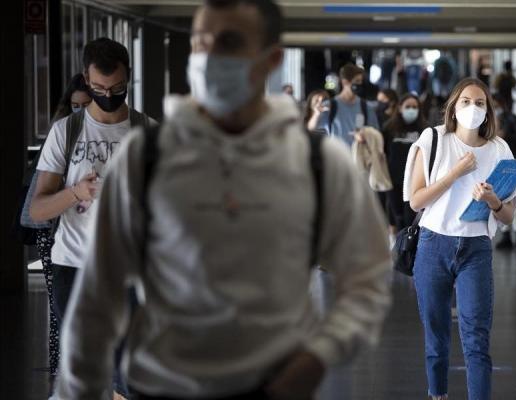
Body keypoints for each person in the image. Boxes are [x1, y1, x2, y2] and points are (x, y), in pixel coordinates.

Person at [55, 1, 392, 399]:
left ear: (272, 59)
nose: (210, 56)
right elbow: (97, 296)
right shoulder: (146, 157)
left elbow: (368, 277)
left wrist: (320, 354)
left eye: (229, 43)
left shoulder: (317, 163)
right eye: (200, 43)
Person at [30, 37, 155, 400]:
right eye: (99, 88)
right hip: (74, 268)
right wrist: (76, 193)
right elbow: (37, 209)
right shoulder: (65, 132)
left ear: (128, 78)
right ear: (86, 79)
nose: (108, 94)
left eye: (116, 87)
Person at [405, 78, 516, 400]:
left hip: (476, 249)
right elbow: (416, 201)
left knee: (476, 338)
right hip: (434, 245)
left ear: (488, 111)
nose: (472, 108)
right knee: (437, 336)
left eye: (479, 103)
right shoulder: (433, 140)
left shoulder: (500, 150)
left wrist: (492, 201)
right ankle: (438, 394)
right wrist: (455, 173)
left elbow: (508, 216)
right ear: (452, 107)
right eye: (465, 102)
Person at [22, 72, 91, 389]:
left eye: (85, 105)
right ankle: (60, 373)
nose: (81, 111)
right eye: (75, 105)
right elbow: (38, 200)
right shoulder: (61, 135)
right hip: (53, 232)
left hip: (82, 236)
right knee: (59, 311)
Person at [382, 93, 427, 231]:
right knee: (396, 215)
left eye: (415, 107)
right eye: (408, 106)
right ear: (400, 108)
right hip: (393, 180)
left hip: (415, 181)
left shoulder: (425, 130)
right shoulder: (389, 128)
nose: (411, 110)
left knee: (411, 218)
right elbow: (383, 152)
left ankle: (409, 248)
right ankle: (397, 245)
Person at [492, 94, 516, 249]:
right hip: (498, 162)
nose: (495, 108)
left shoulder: (511, 119)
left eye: (496, 105)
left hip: (512, 161)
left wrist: (505, 135)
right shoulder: (489, 120)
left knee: (512, 197)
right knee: (503, 197)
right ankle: (508, 234)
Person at [316, 63, 380, 146]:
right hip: (336, 156)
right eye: (357, 81)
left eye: (361, 81)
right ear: (345, 82)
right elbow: (311, 129)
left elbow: (375, 135)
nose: (360, 85)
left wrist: (365, 136)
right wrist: (316, 114)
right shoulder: (329, 106)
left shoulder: (366, 107)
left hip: (359, 156)